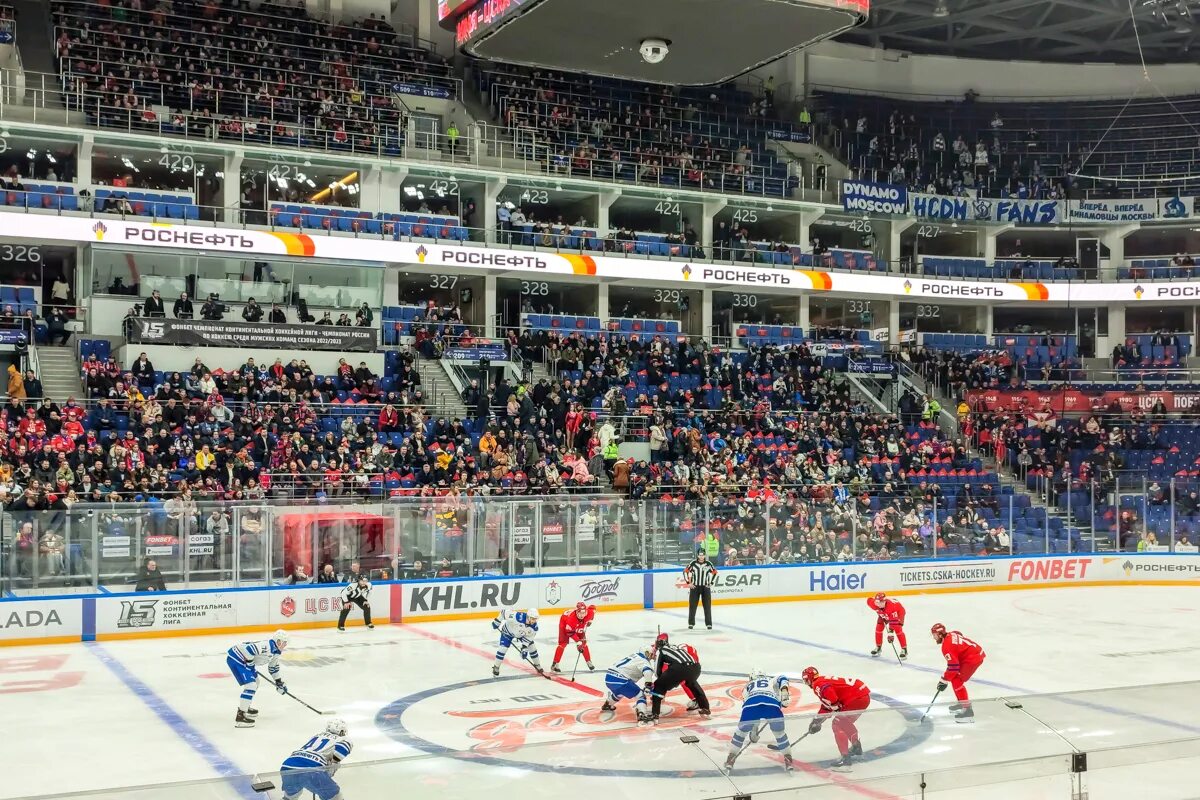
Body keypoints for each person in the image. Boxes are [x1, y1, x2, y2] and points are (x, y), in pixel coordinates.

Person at [722, 670, 793, 774]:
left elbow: (754, 715)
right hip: (772, 706)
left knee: (740, 734)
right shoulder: (771, 680)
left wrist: (754, 732)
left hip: (751, 706)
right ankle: (788, 760)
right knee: (779, 734)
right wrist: (785, 695)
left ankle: (730, 759)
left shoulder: (747, 686)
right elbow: (783, 678)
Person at [802, 666, 871, 770]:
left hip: (856, 698)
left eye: (806, 680)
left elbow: (829, 693)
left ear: (809, 678)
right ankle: (856, 746)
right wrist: (817, 720)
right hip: (862, 696)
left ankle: (845, 759)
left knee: (837, 724)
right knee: (844, 722)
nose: (806, 683)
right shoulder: (821, 680)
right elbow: (826, 705)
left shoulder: (817, 684)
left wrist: (835, 705)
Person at [226, 630, 289, 727]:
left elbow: (273, 667)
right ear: (278, 641)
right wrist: (250, 662)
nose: (284, 645)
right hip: (237, 658)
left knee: (256, 682)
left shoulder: (276, 652)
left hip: (245, 661)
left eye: (285, 643)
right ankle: (240, 717)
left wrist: (279, 681)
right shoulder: (267, 645)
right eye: (283, 642)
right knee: (251, 685)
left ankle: (245, 707)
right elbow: (248, 649)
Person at [279, 718, 352, 800]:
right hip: (312, 769)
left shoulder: (317, 735)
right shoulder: (343, 738)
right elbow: (341, 752)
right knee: (335, 796)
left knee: (292, 795)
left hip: (288, 765)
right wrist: (332, 765)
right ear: (342, 731)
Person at [932, 623, 985, 721]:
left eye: (934, 635)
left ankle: (967, 710)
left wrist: (944, 679)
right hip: (975, 653)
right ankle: (962, 702)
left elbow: (953, 667)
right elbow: (958, 633)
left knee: (957, 680)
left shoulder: (946, 647)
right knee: (955, 678)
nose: (934, 638)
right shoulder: (950, 634)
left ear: (940, 634)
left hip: (973, 658)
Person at [650, 637, 710, 720]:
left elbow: (657, 672)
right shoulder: (676, 647)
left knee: (659, 685)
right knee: (692, 683)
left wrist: (662, 682)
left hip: (679, 669)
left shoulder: (660, 651)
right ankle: (705, 708)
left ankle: (654, 714)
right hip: (696, 667)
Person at [600, 646, 656, 723]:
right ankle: (642, 714)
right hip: (621, 680)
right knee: (640, 695)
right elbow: (647, 672)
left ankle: (608, 704)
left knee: (619, 693)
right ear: (647, 653)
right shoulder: (643, 661)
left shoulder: (635, 655)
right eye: (651, 654)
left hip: (609, 677)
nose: (653, 656)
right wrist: (648, 686)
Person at [490, 607, 542, 677]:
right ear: (528, 617)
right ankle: (496, 667)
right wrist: (497, 621)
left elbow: (528, 638)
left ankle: (537, 665)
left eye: (535, 619)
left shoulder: (534, 628)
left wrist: (524, 648)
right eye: (533, 619)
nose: (534, 621)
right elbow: (503, 613)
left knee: (532, 647)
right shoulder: (517, 616)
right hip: (507, 632)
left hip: (521, 635)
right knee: (503, 649)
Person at [551, 601, 596, 672]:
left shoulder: (589, 613)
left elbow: (593, 608)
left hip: (579, 624)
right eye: (580, 613)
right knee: (563, 644)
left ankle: (589, 662)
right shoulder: (571, 619)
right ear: (577, 612)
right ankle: (555, 664)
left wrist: (590, 620)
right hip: (564, 623)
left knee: (583, 643)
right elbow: (569, 632)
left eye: (584, 613)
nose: (582, 615)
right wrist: (577, 641)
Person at [683, 548, 717, 629]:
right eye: (700, 555)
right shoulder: (693, 563)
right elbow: (685, 572)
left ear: (705, 555)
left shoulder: (708, 564)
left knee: (707, 606)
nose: (701, 557)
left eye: (702, 555)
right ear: (697, 555)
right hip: (695, 587)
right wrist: (688, 583)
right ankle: (691, 623)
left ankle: (709, 624)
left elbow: (715, 573)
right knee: (692, 606)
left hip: (705, 587)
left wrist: (711, 583)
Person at [868, 591, 907, 659]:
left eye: (881, 602)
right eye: (877, 602)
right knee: (879, 628)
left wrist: (890, 634)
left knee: (898, 629)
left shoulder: (891, 607)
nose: (878, 604)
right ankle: (878, 647)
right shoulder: (874, 604)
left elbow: (893, 622)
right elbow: (868, 600)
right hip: (884, 613)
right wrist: (880, 611)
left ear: (884, 601)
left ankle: (904, 649)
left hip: (898, 612)